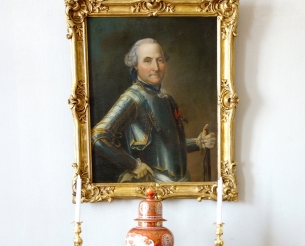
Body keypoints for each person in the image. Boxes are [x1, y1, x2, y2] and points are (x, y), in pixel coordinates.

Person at [91, 38, 216, 183]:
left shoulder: (166, 97)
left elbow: (168, 145)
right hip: (151, 186)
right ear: (135, 65)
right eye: (148, 61)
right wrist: (133, 165)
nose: (155, 67)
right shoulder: (132, 98)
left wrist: (199, 142)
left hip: (181, 184)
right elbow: (97, 137)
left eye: (160, 60)